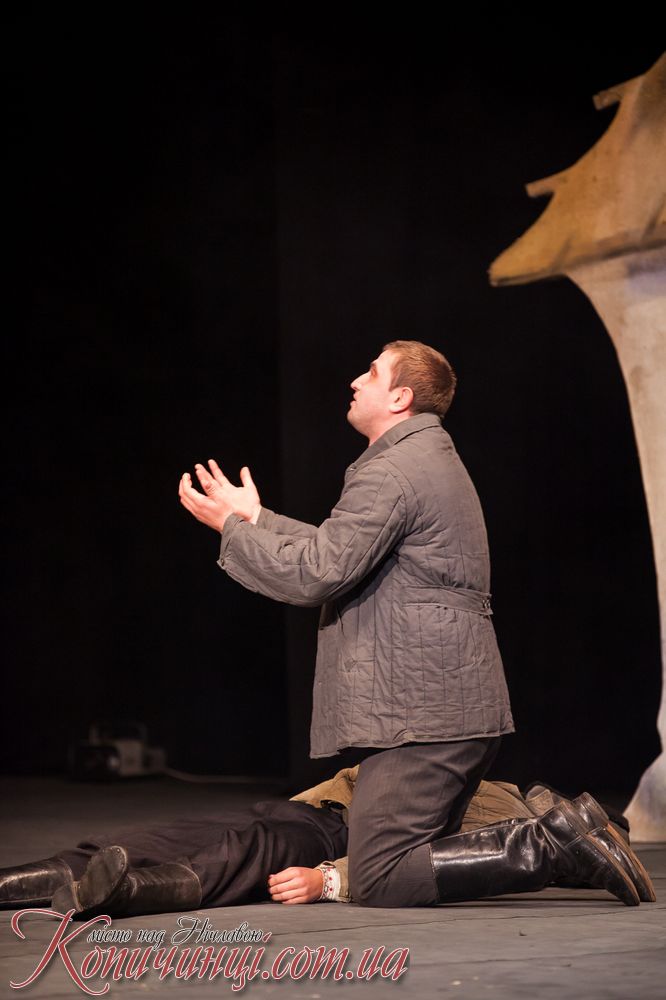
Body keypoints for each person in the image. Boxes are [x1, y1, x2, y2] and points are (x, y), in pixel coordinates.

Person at [177, 341, 652, 910]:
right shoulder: (422, 459)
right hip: (448, 706)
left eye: (372, 372)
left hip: (424, 714)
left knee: (379, 876)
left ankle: (553, 844)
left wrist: (232, 529)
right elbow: (340, 549)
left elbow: (317, 574)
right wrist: (256, 518)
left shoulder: (393, 470)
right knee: (416, 858)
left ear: (400, 397)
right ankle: (563, 841)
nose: (356, 380)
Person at [0, 768, 654, 916]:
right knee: (152, 835)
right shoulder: (497, 785)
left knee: (249, 847)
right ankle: (33, 880)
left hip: (331, 832)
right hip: (306, 807)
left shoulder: (504, 813)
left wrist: (330, 877)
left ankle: (125, 892)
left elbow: (411, 850)